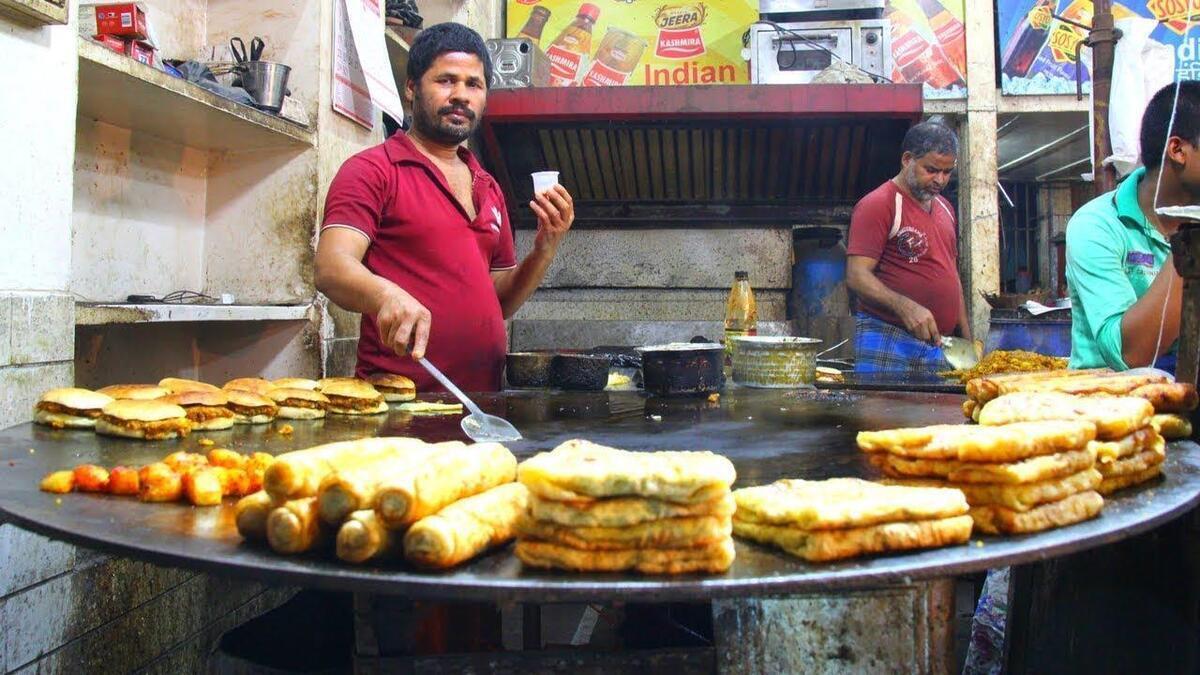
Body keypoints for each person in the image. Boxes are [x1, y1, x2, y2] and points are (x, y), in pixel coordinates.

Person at [315, 23, 575, 391]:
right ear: (411, 88)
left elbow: (498, 300)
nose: (461, 95)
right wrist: (385, 294)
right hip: (401, 402)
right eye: (445, 81)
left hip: (482, 402)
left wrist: (545, 249)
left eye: (474, 84)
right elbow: (331, 267)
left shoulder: (487, 186)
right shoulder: (374, 170)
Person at [1066, 80, 1199, 374]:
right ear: (1177, 149)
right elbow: (1131, 354)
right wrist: (1191, 239)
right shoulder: (1097, 226)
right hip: (1109, 406)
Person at [845, 121, 971, 373]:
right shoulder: (879, 204)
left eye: (947, 172)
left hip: (938, 345)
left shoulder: (945, 208)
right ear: (907, 160)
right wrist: (906, 307)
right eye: (932, 170)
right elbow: (856, 276)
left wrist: (967, 340)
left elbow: (951, 274)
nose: (940, 180)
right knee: (885, 413)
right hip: (886, 338)